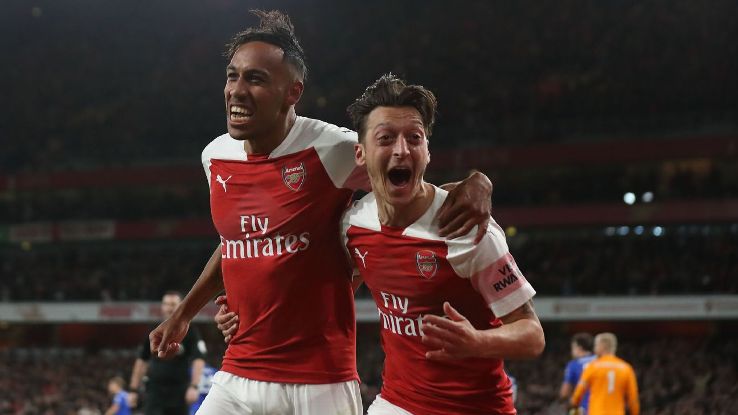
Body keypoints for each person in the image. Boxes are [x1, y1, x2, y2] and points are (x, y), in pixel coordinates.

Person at [150, 9, 493, 415]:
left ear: (292, 92)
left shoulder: (332, 150)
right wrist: (185, 314)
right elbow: (233, 242)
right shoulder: (215, 156)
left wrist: (477, 183)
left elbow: (408, 184)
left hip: (319, 381)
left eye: (255, 79)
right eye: (232, 76)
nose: (237, 90)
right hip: (238, 373)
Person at [340, 73, 545, 414]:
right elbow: (334, 292)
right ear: (361, 154)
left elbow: (532, 334)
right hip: (397, 403)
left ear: (427, 152)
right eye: (386, 138)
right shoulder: (354, 224)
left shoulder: (466, 228)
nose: (402, 150)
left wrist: (478, 342)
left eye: (414, 138)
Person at [130, 291, 206, 415]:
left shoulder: (190, 331)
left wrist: (194, 386)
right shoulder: (154, 330)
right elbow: (142, 359)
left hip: (180, 392)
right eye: (166, 304)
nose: (169, 307)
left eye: (173, 304)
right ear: (162, 306)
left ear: (180, 306)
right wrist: (133, 389)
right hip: (154, 392)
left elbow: (199, 358)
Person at [571, 333, 640, 415]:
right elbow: (633, 398)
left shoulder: (593, 367)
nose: (594, 348)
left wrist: (574, 405)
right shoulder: (626, 368)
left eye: (596, 345)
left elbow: (578, 394)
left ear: (602, 346)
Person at [561, 333, 596, 414]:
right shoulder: (599, 362)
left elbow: (564, 392)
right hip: (600, 408)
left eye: (573, 348)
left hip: (583, 409)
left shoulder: (574, 364)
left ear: (579, 348)